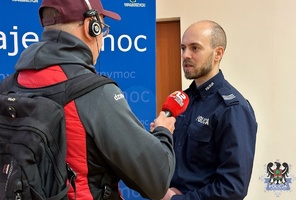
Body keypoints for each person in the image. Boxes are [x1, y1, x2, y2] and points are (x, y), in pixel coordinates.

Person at [1, 0, 176, 199]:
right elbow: (156, 179)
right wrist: (163, 132)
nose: (102, 39)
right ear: (90, 26)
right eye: (102, 28)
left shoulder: (9, 86)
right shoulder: (94, 92)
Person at [162, 20, 258, 200]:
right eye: (183, 48)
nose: (185, 55)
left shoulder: (233, 109)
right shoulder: (182, 100)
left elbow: (233, 188)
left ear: (218, 53)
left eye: (195, 48)